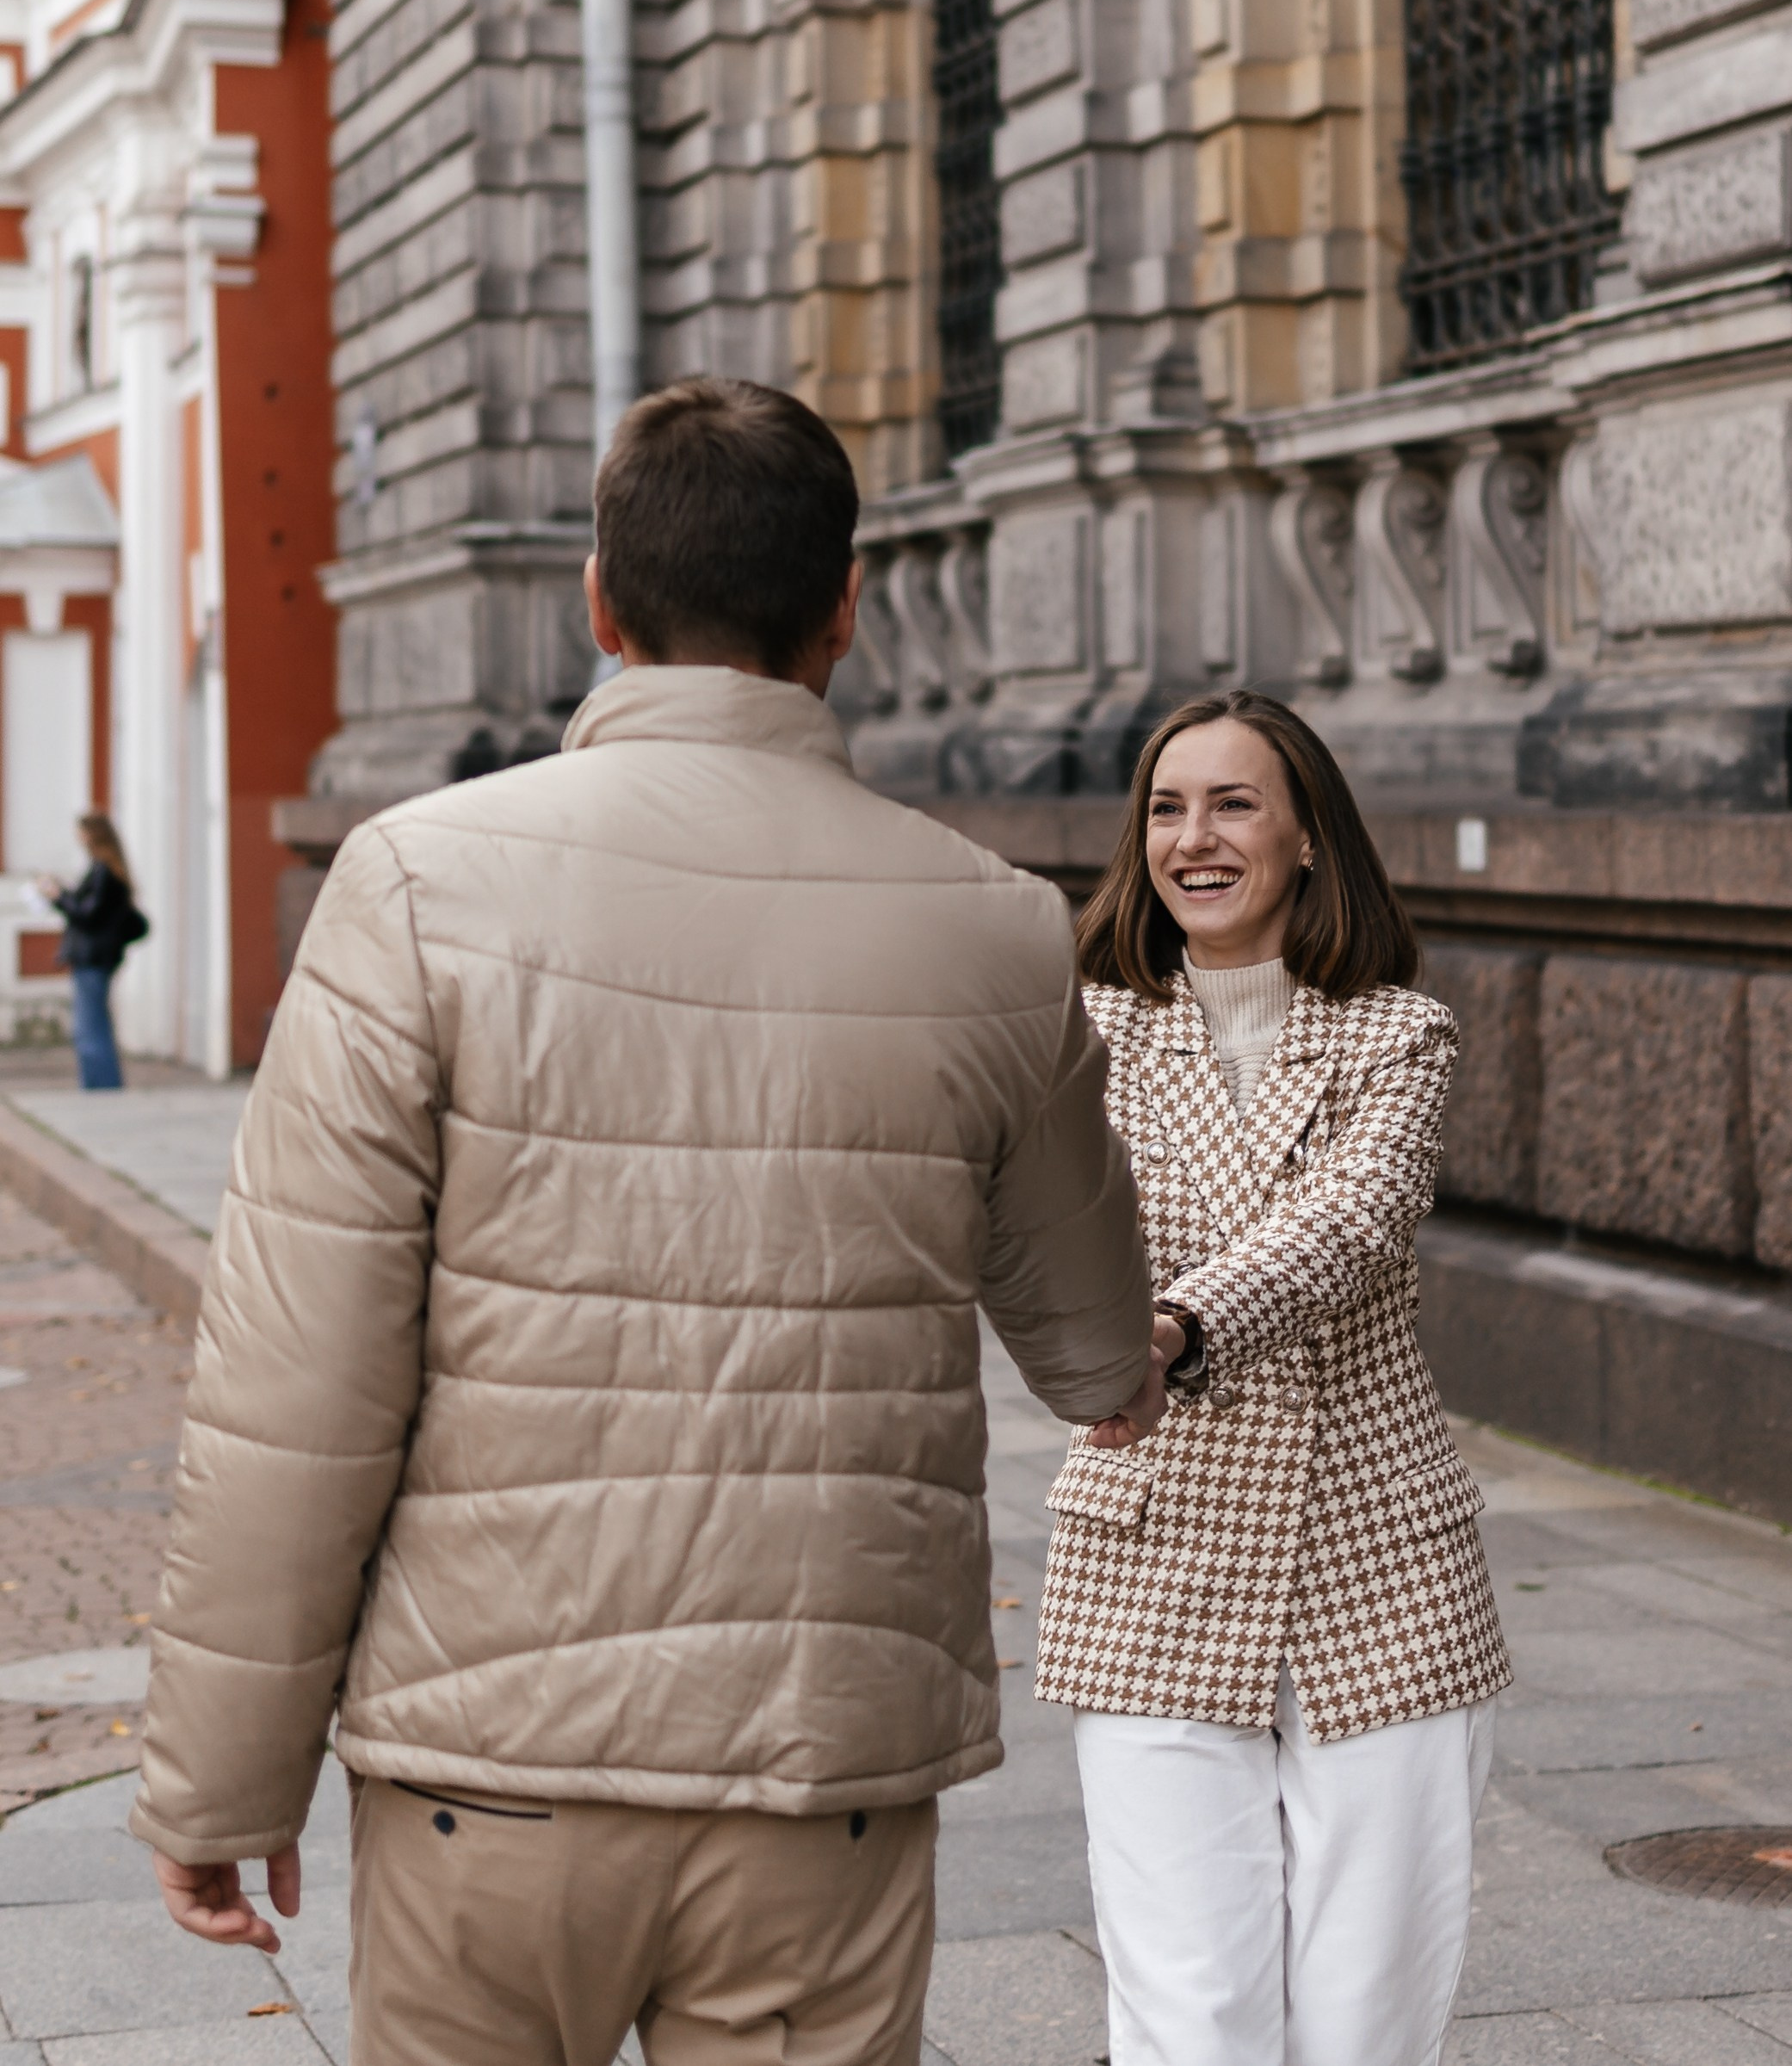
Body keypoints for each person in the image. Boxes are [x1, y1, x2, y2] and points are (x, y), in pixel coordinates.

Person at [130, 375, 1161, 2066]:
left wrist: (222, 1769)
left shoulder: (409, 884)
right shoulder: (995, 926)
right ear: (845, 608)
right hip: (818, 1775)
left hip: (490, 1764)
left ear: (600, 603)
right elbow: (1099, 1344)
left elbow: (295, 1383)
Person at [1033, 690, 1511, 2066]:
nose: (1194, 835)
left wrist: (1171, 1328)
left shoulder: (1394, 1034)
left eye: (1232, 802)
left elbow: (1345, 1228)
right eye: (1166, 807)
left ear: (1306, 836)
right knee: (1193, 2016)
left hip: (1379, 1562)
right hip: (1154, 1546)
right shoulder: (1080, 1035)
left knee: (1369, 2018)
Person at [38, 813, 146, 1091]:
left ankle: (103, 1087)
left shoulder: (104, 872)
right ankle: (99, 1085)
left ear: (92, 835)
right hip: (98, 957)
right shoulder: (106, 870)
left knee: (90, 1027)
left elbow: (88, 915)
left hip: (94, 958)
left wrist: (57, 897)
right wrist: (64, 892)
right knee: (92, 1024)